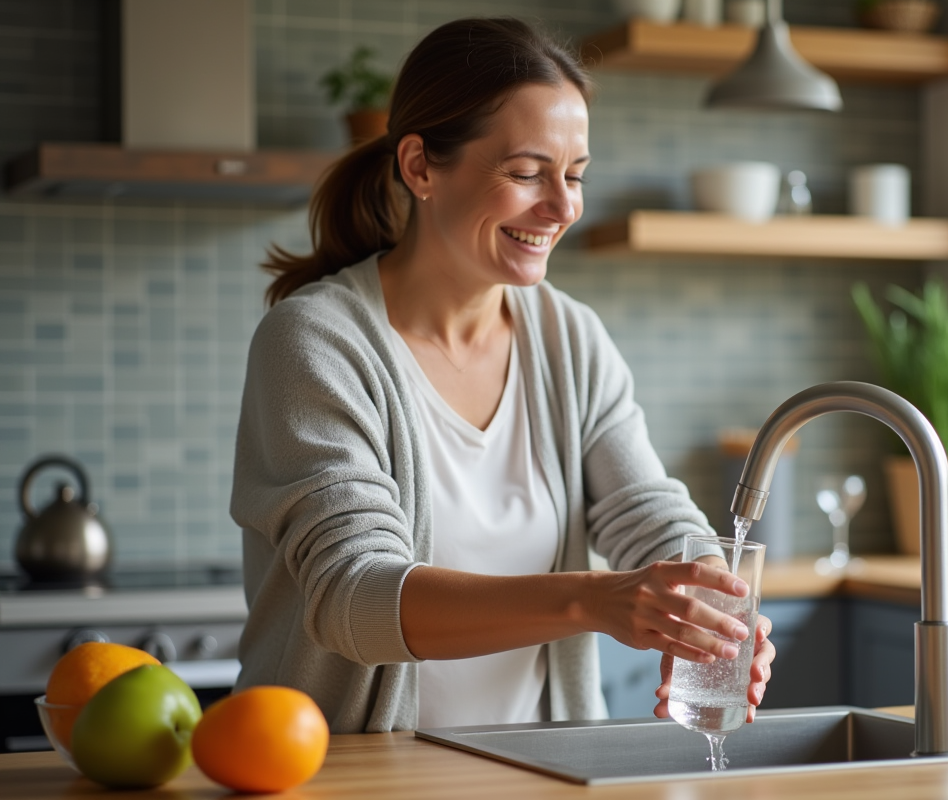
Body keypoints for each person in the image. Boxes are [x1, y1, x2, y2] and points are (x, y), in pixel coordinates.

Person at [230, 16, 776, 734]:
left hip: (537, 772)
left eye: (575, 175)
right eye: (526, 173)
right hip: (354, 775)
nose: (562, 206)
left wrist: (705, 598)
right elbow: (354, 599)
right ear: (420, 165)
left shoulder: (568, 337)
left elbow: (647, 511)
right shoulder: (314, 343)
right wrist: (596, 600)